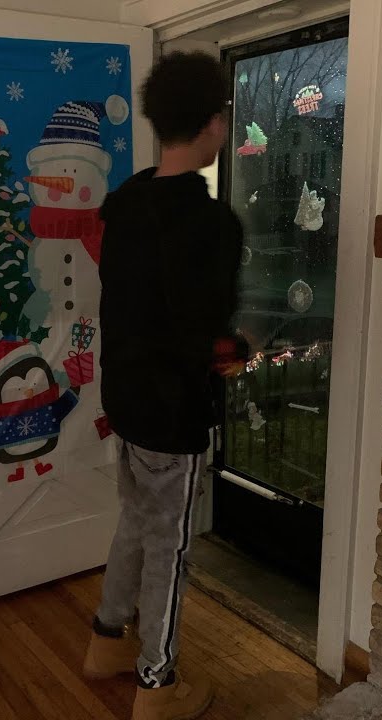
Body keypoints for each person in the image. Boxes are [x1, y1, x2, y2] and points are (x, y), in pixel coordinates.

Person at [85, 51, 244, 720]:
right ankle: (157, 686)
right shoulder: (210, 224)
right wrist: (234, 351)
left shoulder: (124, 203)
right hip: (172, 410)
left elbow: (135, 304)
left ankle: (105, 642)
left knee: (136, 519)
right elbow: (201, 330)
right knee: (169, 545)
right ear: (213, 123)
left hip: (124, 397)